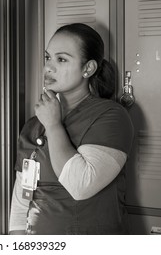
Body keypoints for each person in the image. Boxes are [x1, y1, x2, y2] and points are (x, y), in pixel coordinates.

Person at [9, 23, 134, 235]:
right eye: (47, 57)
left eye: (62, 59)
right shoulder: (34, 124)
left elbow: (81, 185)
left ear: (88, 69)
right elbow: (22, 201)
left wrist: (53, 125)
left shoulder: (111, 116)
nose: (49, 67)